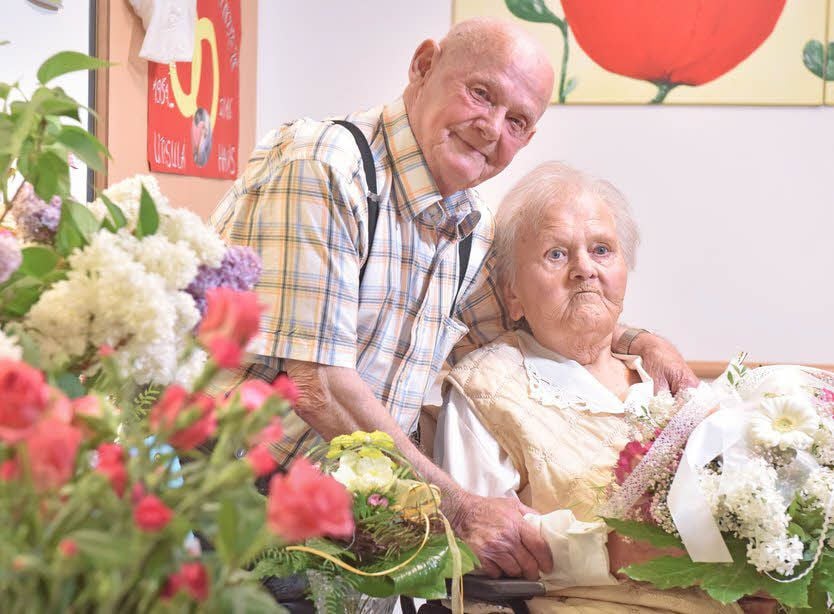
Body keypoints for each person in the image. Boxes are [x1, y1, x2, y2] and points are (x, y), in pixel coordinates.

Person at [209, 18, 695, 580]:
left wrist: (641, 341)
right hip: (218, 506)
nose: (491, 128)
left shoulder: (470, 229)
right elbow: (316, 382)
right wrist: (459, 509)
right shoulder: (326, 166)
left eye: (517, 121)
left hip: (334, 537)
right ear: (422, 67)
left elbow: (547, 314)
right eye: (481, 94)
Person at [435, 161, 777, 613]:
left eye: (601, 250)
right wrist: (614, 552)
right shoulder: (488, 388)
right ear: (513, 293)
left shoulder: (670, 383)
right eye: (556, 254)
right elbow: (481, 559)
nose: (584, 270)